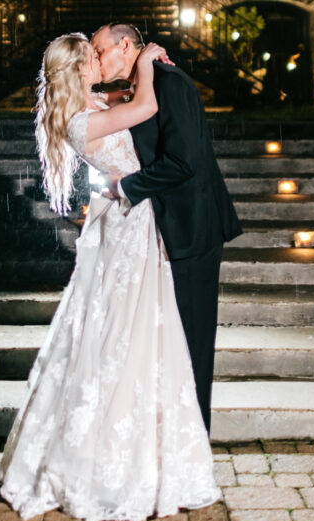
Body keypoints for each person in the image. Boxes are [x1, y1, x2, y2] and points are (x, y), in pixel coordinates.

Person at [0, 32, 219, 521]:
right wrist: (144, 63)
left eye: (102, 50)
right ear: (80, 68)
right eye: (92, 56)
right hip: (129, 225)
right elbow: (141, 107)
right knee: (123, 333)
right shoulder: (84, 120)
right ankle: (112, 456)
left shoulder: (92, 103)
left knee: (135, 332)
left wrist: (146, 63)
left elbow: (126, 104)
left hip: (137, 221)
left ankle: (152, 444)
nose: (99, 60)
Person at [91, 22, 242, 433]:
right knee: (166, 344)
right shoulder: (144, 81)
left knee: (192, 344)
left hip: (191, 227)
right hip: (161, 230)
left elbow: (184, 161)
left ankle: (195, 446)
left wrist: (125, 187)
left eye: (100, 50)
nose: (96, 60)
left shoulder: (170, 82)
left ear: (125, 45)